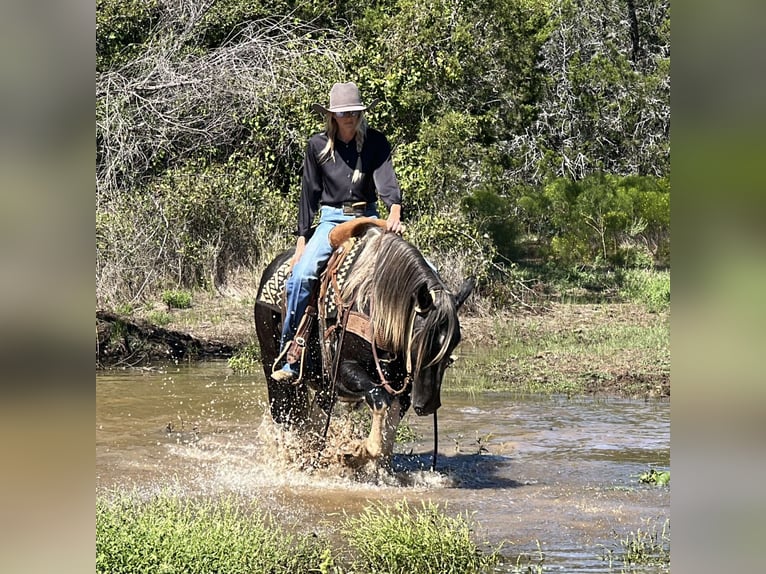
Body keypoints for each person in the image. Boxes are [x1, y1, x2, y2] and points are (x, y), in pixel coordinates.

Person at [271, 82, 403, 382]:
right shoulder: (317, 146)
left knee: (419, 272)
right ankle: (291, 352)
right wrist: (303, 238)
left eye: (354, 112)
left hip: (369, 218)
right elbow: (309, 193)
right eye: (344, 113)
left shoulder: (376, 143)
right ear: (332, 115)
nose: (349, 118)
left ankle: (416, 349)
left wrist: (394, 209)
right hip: (331, 222)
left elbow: (386, 182)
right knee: (302, 276)